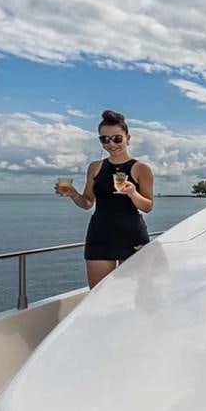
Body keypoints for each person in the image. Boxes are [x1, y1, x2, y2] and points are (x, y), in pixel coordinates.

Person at [58, 109, 155, 287]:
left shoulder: (141, 169)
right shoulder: (95, 167)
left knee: (132, 297)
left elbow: (148, 206)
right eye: (104, 139)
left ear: (128, 138)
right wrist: (72, 193)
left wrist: (133, 193)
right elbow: (87, 203)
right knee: (97, 298)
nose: (111, 144)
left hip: (132, 237)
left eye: (117, 138)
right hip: (99, 236)